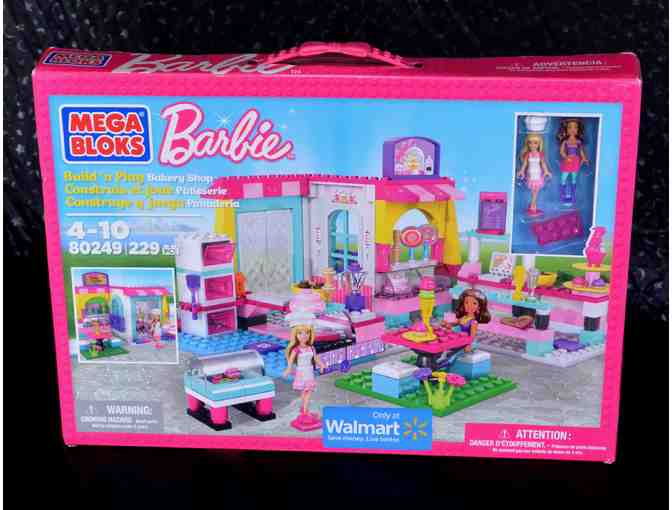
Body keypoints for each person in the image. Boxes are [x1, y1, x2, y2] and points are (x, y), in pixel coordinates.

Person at [282, 313, 327, 420]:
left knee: (307, 391)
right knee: (307, 392)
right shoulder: (296, 349)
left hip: (309, 372)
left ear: (310, 334)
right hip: (302, 373)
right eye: (300, 333)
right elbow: (290, 362)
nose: (304, 335)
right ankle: (305, 411)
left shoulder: (311, 348)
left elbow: (315, 358)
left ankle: (304, 410)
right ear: (295, 335)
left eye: (307, 333)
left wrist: (321, 365)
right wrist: (288, 370)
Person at [437, 288, 491, 368]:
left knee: (454, 353)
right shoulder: (464, 318)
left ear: (479, 307)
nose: (469, 305)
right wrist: (446, 324)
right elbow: (454, 324)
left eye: (474, 303)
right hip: (461, 340)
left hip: (468, 342)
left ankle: (447, 363)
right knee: (447, 348)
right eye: (466, 302)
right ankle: (441, 362)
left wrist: (468, 345)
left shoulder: (474, 322)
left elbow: (472, 336)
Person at [517, 133, 552, 216]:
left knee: (536, 192)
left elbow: (543, 164)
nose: (532, 145)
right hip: (531, 174)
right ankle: (533, 207)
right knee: (534, 192)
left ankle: (532, 206)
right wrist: (521, 171)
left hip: (538, 174)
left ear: (539, 144)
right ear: (527, 144)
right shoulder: (528, 154)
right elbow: (525, 164)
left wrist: (546, 171)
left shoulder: (540, 154)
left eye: (535, 143)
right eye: (530, 142)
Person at [557, 118, 589, 204]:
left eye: (575, 127)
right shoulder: (565, 141)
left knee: (574, 179)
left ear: (578, 130)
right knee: (563, 178)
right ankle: (562, 195)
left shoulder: (578, 142)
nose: (572, 129)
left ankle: (573, 196)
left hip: (575, 161)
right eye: (570, 127)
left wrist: (584, 158)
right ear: (566, 130)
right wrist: (566, 157)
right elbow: (561, 151)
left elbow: (581, 151)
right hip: (567, 161)